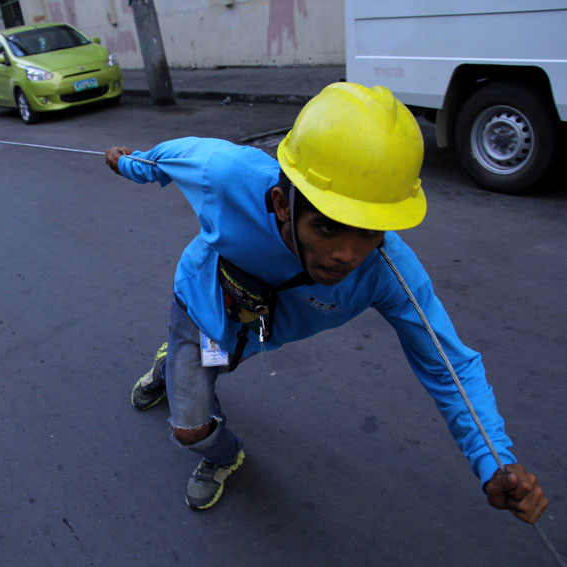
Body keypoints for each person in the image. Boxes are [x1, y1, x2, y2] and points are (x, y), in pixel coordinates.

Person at [103, 82, 548, 522]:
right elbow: (164, 159)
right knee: (189, 428)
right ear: (281, 204)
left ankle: (184, 368)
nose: (348, 256)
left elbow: (449, 367)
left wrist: (494, 460)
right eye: (329, 227)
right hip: (199, 305)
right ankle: (221, 449)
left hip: (255, 329)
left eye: (371, 230)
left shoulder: (391, 273)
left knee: (214, 361)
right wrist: (128, 164)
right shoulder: (225, 174)